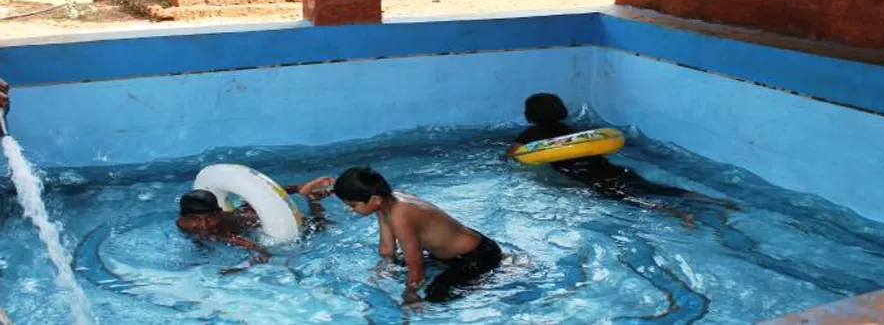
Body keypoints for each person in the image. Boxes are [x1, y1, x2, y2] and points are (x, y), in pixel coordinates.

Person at [505, 93, 736, 227]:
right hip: (609, 169)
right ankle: (712, 200)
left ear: (529, 115)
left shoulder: (530, 136)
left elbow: (512, 157)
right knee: (653, 187)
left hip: (586, 178)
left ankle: (678, 214)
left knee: (629, 198)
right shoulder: (573, 131)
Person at [333, 167, 502, 304]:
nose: (349, 209)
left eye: (353, 205)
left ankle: (495, 276)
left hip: (477, 256)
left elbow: (416, 263)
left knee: (436, 296)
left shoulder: (400, 216)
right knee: (399, 266)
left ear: (375, 199)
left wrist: (411, 294)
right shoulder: (387, 202)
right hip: (452, 253)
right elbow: (387, 250)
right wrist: (386, 267)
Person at [176, 176, 334, 274]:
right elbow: (197, 238)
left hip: (253, 220)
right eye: (195, 219)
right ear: (183, 217)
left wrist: (240, 267)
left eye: (211, 218)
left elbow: (264, 253)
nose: (204, 225)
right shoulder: (182, 224)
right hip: (241, 212)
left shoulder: (226, 232)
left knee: (318, 226)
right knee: (251, 205)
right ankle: (302, 189)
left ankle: (310, 196)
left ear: (219, 212)